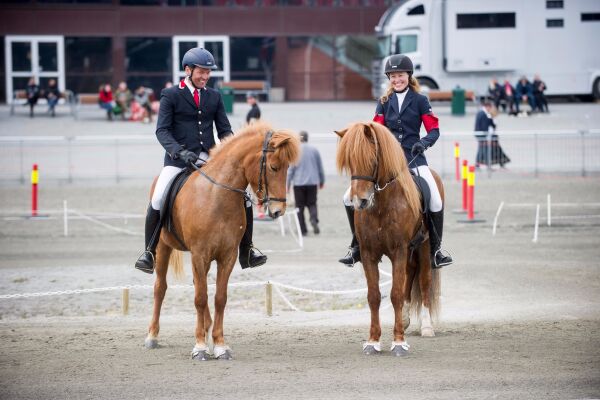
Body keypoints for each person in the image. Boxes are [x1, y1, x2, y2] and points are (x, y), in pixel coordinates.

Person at [134, 47, 267, 274]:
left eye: (208, 73)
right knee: (157, 198)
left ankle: (248, 249)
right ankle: (149, 251)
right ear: (188, 70)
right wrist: (179, 151)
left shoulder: (214, 96)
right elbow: (162, 131)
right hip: (177, 161)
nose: (205, 77)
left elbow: (224, 130)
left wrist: (234, 152)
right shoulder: (171, 95)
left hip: (208, 158)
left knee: (243, 197)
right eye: (201, 72)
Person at [338, 53, 452, 269]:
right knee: (347, 198)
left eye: (400, 75)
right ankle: (356, 246)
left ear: (408, 75)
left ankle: (436, 250)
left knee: (435, 199)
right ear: (388, 78)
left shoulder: (420, 100)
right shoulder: (383, 102)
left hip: (414, 159)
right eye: (392, 76)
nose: (397, 79)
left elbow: (434, 130)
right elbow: (375, 130)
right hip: (387, 164)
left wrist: (424, 142)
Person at [287, 131, 325, 236]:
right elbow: (320, 168)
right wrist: (322, 181)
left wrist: (287, 184)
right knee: (312, 204)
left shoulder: (295, 151)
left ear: (299, 139)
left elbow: (290, 171)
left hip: (298, 183)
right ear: (307, 138)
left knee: (299, 207)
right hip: (312, 182)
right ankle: (314, 220)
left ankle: (303, 230)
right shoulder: (314, 150)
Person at [474, 99, 510, 169]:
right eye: (490, 107)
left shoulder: (483, 113)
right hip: (483, 135)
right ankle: (490, 163)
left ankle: (480, 164)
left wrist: (493, 121)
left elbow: (490, 124)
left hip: (483, 135)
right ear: (487, 106)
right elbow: (484, 126)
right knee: (484, 149)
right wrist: (488, 135)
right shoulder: (483, 114)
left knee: (484, 149)